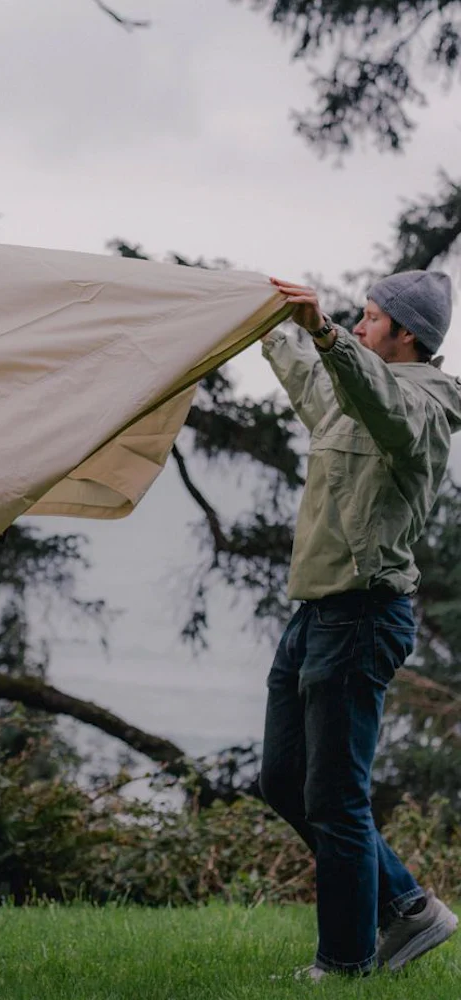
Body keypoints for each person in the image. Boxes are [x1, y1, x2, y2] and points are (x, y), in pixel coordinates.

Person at [259, 270, 461, 980]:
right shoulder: (358, 390)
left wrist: (323, 332)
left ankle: (343, 963)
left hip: (362, 614)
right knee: (284, 779)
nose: (359, 324)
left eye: (371, 318)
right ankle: (408, 907)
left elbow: (381, 405)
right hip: (316, 610)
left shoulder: (425, 404)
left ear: (406, 334)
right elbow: (322, 391)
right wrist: (269, 324)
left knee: (337, 798)